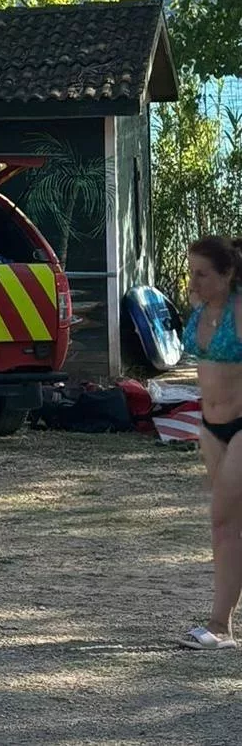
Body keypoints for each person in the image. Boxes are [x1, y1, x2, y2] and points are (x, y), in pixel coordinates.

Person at [180, 236, 242, 650]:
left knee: (225, 521)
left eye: (202, 274)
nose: (193, 282)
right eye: (191, 272)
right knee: (227, 528)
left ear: (228, 274)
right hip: (211, 427)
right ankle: (224, 626)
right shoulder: (201, 311)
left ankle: (219, 627)